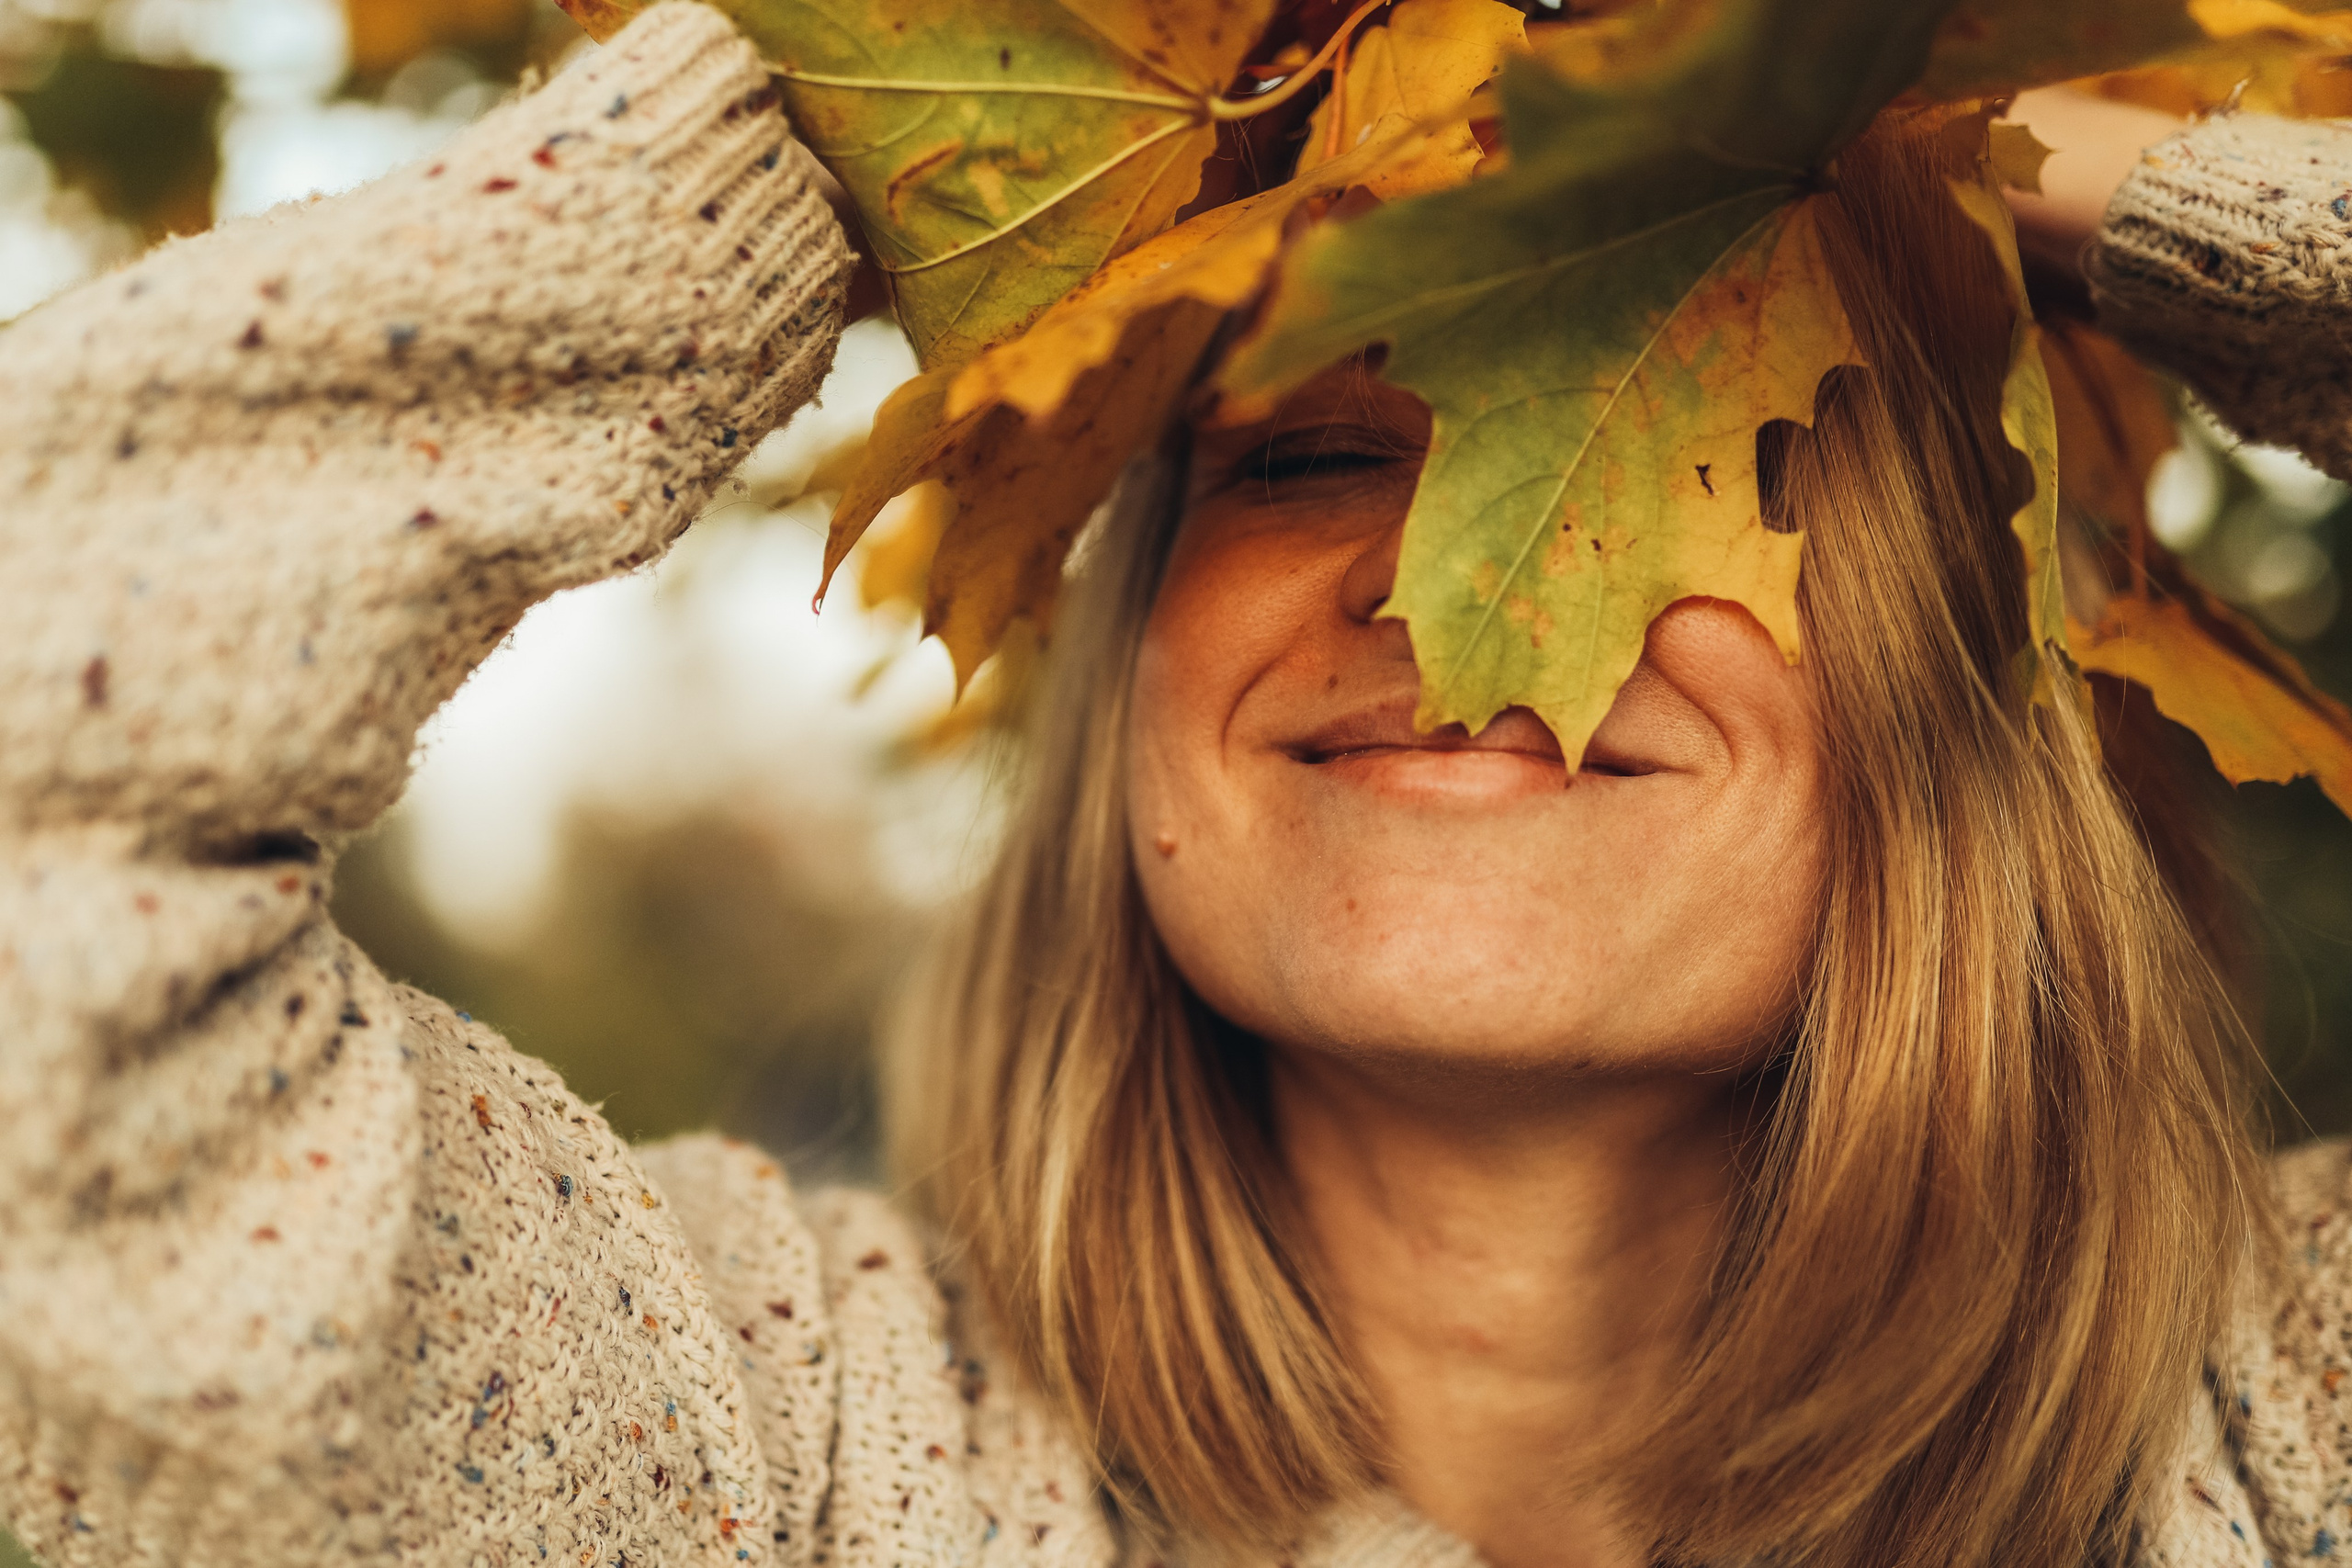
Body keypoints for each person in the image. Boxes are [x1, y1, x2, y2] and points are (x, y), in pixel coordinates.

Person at [0, 6, 2341, 1565]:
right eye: (1312, 451)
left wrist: (2020, 161)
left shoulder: (2276, 1410)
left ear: (1958, 667)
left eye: (1653, 454)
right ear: (1127, 674)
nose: (1442, 580)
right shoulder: (735, 1433)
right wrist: (999, 94)